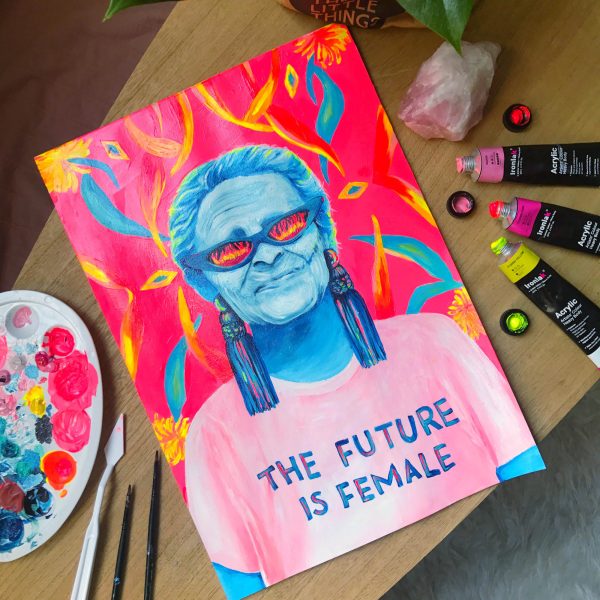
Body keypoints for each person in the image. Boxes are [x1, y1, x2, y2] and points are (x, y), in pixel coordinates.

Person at [169, 145, 543, 600]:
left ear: (322, 232)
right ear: (206, 282)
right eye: (232, 250)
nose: (266, 256)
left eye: (285, 226)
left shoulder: (436, 343)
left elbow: (533, 498)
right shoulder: (214, 434)